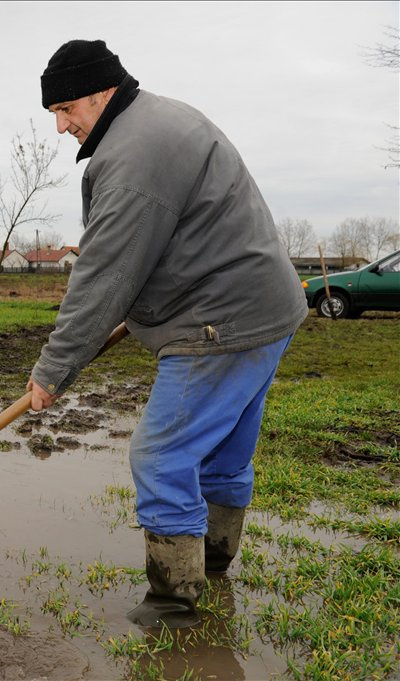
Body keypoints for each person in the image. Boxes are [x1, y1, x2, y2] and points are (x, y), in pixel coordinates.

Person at [27, 40, 307, 628]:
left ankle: (174, 600)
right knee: (224, 454)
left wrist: (54, 369)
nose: (60, 126)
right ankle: (211, 561)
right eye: (54, 112)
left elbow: (106, 275)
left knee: (161, 454)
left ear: (103, 93)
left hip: (221, 322)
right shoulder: (163, 118)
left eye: (67, 109)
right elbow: (177, 238)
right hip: (265, 308)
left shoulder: (132, 156)